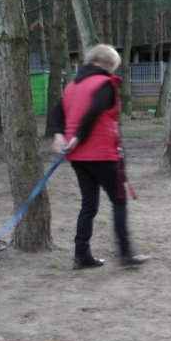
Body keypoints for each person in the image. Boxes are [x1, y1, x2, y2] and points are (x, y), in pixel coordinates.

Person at [47, 44, 149, 269]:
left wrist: (60, 136)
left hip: (77, 157)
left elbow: (57, 113)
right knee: (118, 201)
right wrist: (79, 136)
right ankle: (125, 254)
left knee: (89, 205)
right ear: (109, 64)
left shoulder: (71, 86)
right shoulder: (105, 83)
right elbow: (94, 111)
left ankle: (81, 255)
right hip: (103, 154)